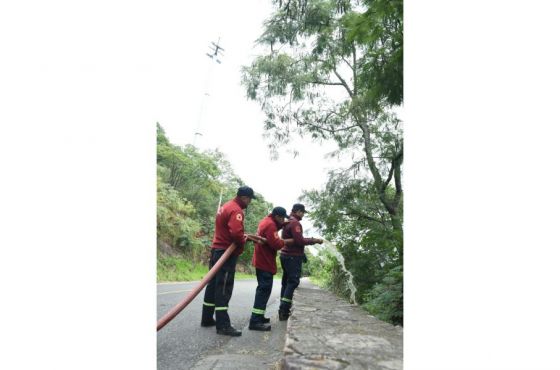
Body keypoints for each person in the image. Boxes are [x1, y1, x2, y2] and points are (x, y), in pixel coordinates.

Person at [200, 185, 256, 336]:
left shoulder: (226, 206)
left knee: (212, 285)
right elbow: (237, 234)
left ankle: (206, 318)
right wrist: (242, 242)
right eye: (250, 200)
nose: (249, 203)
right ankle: (223, 325)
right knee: (223, 287)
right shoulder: (236, 210)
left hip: (216, 250)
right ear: (245, 198)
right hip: (225, 252)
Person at [248, 206, 292, 331]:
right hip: (265, 262)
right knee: (263, 290)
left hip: (260, 260)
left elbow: (271, 234)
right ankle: (255, 321)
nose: (283, 220)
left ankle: (259, 316)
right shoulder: (271, 225)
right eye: (282, 218)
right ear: (277, 217)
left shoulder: (266, 221)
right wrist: (286, 241)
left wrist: (283, 224)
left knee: (264, 290)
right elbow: (277, 244)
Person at [278, 203, 323, 320]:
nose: (303, 215)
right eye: (303, 213)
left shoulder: (288, 221)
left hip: (285, 255)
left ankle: (282, 308)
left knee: (286, 282)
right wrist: (314, 240)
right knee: (293, 282)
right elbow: (299, 241)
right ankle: (284, 310)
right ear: (298, 211)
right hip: (292, 257)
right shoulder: (295, 223)